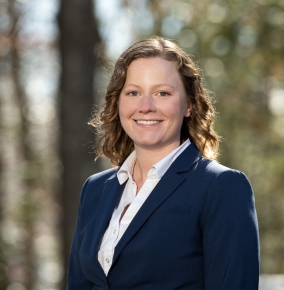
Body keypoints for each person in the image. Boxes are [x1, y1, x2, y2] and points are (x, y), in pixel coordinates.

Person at [66, 36, 260, 290]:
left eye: (162, 93)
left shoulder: (221, 186)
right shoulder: (95, 189)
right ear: (118, 102)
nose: (146, 106)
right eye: (133, 92)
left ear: (189, 104)